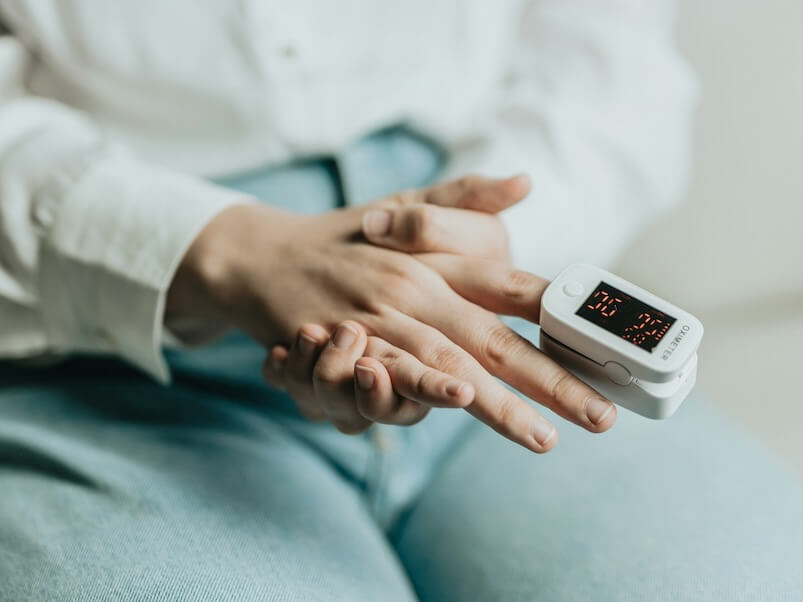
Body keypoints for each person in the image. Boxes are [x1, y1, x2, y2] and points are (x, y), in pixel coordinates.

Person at [1, 2, 800, 600]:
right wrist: (226, 249)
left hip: (496, 317)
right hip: (102, 355)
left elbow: (617, 64)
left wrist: (484, 247)